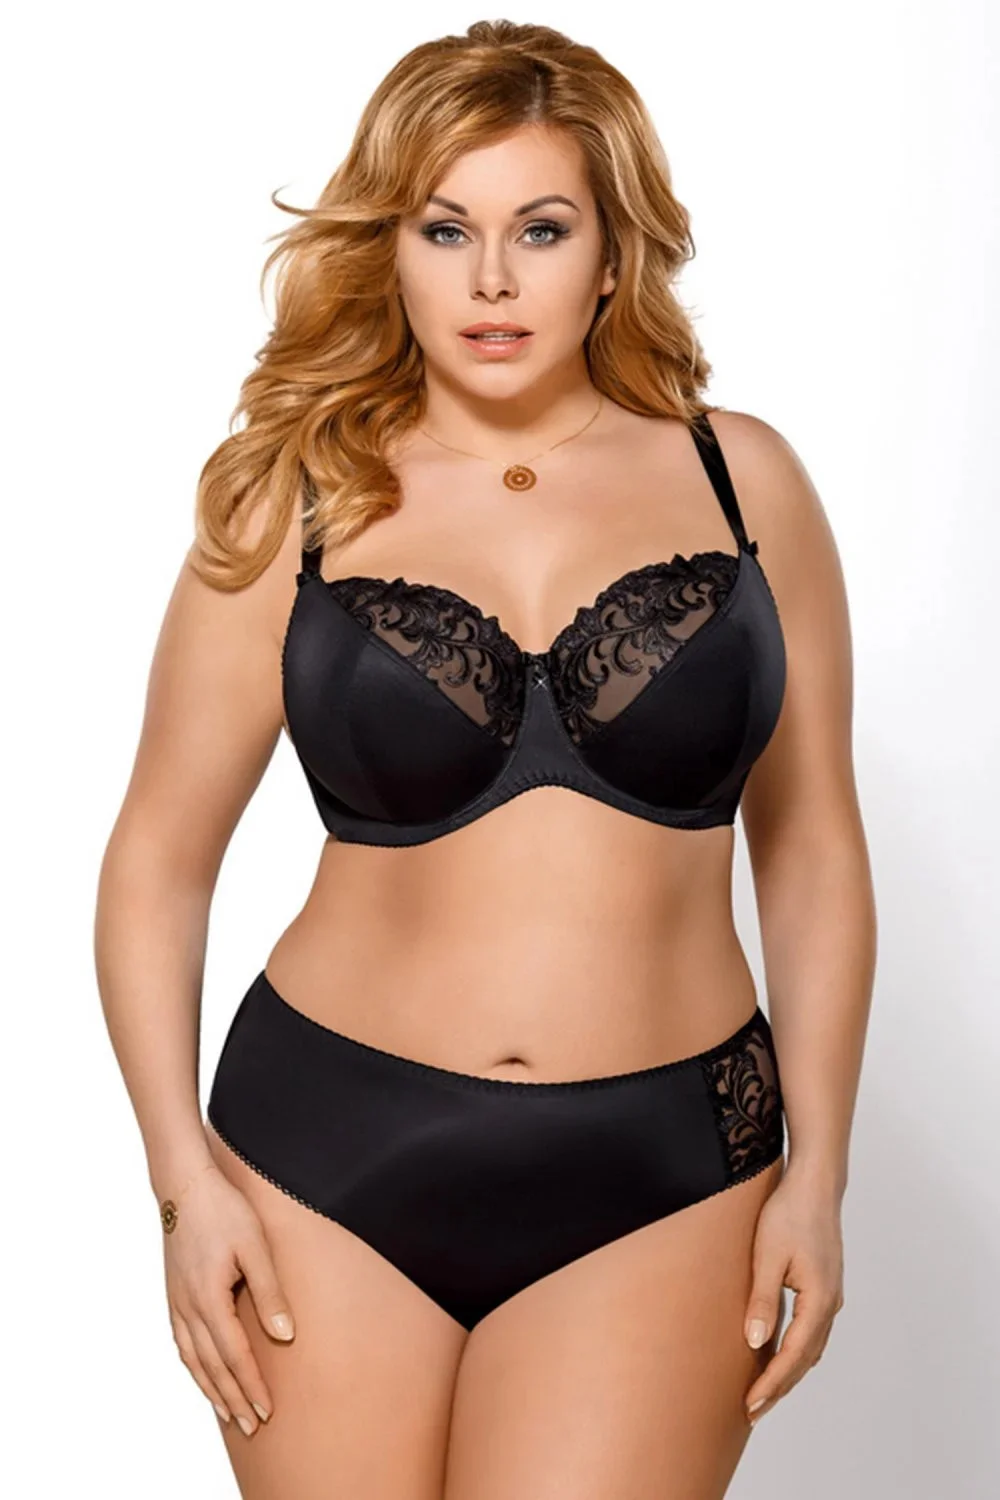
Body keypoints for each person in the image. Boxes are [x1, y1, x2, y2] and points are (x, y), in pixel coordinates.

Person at [94, 18, 876, 1499]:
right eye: (446, 229)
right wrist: (181, 1183)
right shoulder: (298, 496)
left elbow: (815, 843)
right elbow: (156, 858)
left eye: (543, 229)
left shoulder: (741, 478)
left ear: (614, 251)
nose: (494, 280)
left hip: (668, 1168)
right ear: (389, 248)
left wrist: (824, 1171)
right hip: (324, 1157)